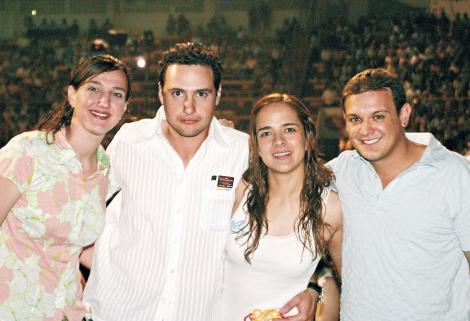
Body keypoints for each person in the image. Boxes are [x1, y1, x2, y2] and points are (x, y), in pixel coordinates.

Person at [83, 42, 319, 321]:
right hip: (117, 313)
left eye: (202, 94)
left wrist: (316, 285)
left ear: (217, 95)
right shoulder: (130, 140)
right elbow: (78, 211)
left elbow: (295, 218)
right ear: (160, 92)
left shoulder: (243, 152)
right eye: (177, 92)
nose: (189, 106)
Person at [329, 68, 470, 321]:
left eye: (378, 116)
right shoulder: (344, 169)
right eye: (355, 119)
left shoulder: (455, 174)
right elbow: (285, 178)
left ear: (404, 115)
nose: (366, 130)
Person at [0, 54, 131, 321]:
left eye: (116, 94)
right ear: (72, 95)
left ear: (125, 107)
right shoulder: (28, 151)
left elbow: (78, 249)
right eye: (93, 88)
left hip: (66, 313)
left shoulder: (106, 172)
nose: (104, 102)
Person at [218, 93, 342, 321]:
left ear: (307, 137)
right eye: (266, 133)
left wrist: (317, 293)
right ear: (256, 145)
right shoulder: (239, 190)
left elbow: (352, 285)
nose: (278, 141)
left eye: (289, 129)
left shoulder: (330, 207)